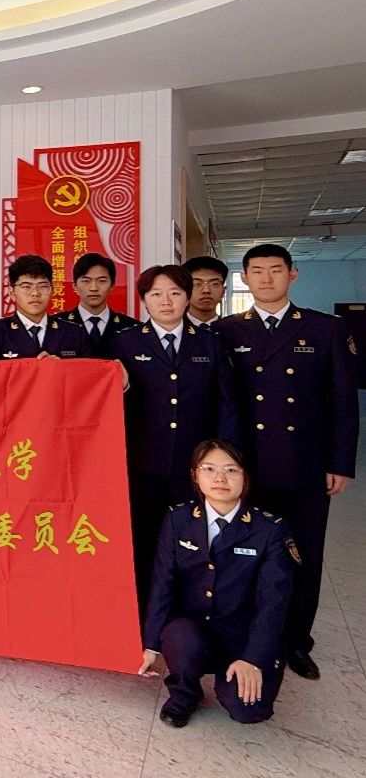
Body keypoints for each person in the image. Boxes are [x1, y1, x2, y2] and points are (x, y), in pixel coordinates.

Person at [214, 243, 358, 680]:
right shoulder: (226, 331)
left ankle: (296, 641)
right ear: (245, 278)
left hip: (305, 465)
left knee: (303, 556)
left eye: (275, 270)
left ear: (292, 274)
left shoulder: (324, 328)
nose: (266, 278)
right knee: (243, 554)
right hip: (246, 467)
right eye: (256, 271)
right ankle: (246, 637)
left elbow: (343, 402)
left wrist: (341, 462)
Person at [139, 440, 296, 728]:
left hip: (242, 635)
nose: (220, 478)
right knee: (179, 636)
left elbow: (273, 603)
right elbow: (163, 583)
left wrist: (253, 658)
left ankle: (239, 671)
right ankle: (184, 693)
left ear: (246, 476)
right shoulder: (178, 520)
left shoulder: (269, 529)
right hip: (193, 629)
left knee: (248, 710)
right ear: (195, 475)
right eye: (209, 469)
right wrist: (151, 645)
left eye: (231, 470)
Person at [112, 264, 239, 611]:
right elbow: (108, 404)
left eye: (174, 293)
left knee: (193, 541)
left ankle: (188, 613)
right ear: (144, 300)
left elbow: (226, 404)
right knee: (143, 539)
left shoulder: (210, 342)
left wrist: (225, 463)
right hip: (141, 464)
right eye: (156, 294)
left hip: (195, 466)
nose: (165, 301)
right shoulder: (124, 341)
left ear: (187, 297)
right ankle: (141, 612)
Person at [0, 255, 93, 361]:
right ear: (12, 293)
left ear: (52, 290)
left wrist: (59, 367)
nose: (35, 293)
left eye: (43, 286)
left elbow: (89, 374)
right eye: (26, 287)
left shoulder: (75, 333)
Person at [53, 253, 140, 354]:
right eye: (86, 281)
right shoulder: (54, 326)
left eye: (101, 281)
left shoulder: (132, 328)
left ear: (112, 285)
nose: (94, 288)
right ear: (75, 286)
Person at [184, 256, 229, 328]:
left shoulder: (233, 330)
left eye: (214, 284)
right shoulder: (173, 329)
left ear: (223, 292)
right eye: (197, 284)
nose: (206, 290)